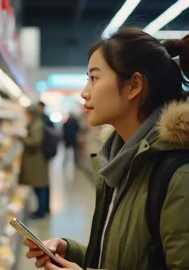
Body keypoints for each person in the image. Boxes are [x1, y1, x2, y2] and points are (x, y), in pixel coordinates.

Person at [23, 27, 189, 269]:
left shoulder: (178, 176)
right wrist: (72, 252)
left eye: (94, 78)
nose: (84, 93)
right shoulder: (120, 161)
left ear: (134, 85)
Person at [19, 104, 49, 219]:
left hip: (37, 161)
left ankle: (41, 212)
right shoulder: (35, 124)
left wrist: (21, 138)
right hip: (35, 161)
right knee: (38, 187)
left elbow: (35, 142)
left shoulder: (37, 125)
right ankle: (40, 210)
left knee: (40, 187)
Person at [38, 101, 55, 214]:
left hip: (44, 154)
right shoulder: (44, 119)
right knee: (44, 181)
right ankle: (45, 207)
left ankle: (44, 209)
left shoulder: (45, 120)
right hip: (45, 153)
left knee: (42, 182)